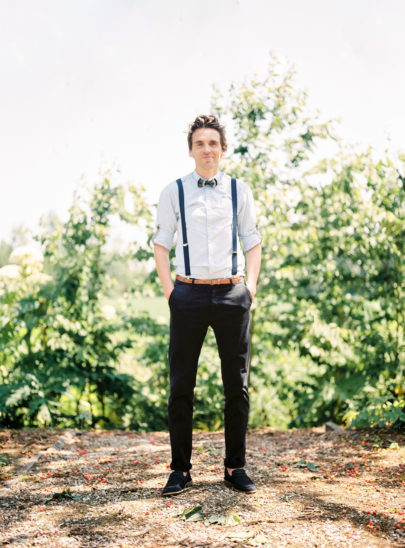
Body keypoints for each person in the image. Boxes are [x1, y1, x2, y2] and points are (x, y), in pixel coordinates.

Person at [153, 114, 262, 496]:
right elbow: (161, 243)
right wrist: (171, 292)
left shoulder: (239, 190)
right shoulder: (174, 191)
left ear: (222, 149)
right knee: (181, 384)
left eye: (213, 143)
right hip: (188, 294)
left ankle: (235, 467)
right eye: (200, 143)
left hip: (232, 294)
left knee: (237, 385)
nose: (207, 149)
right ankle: (180, 470)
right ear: (191, 150)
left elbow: (253, 241)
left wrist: (250, 288)